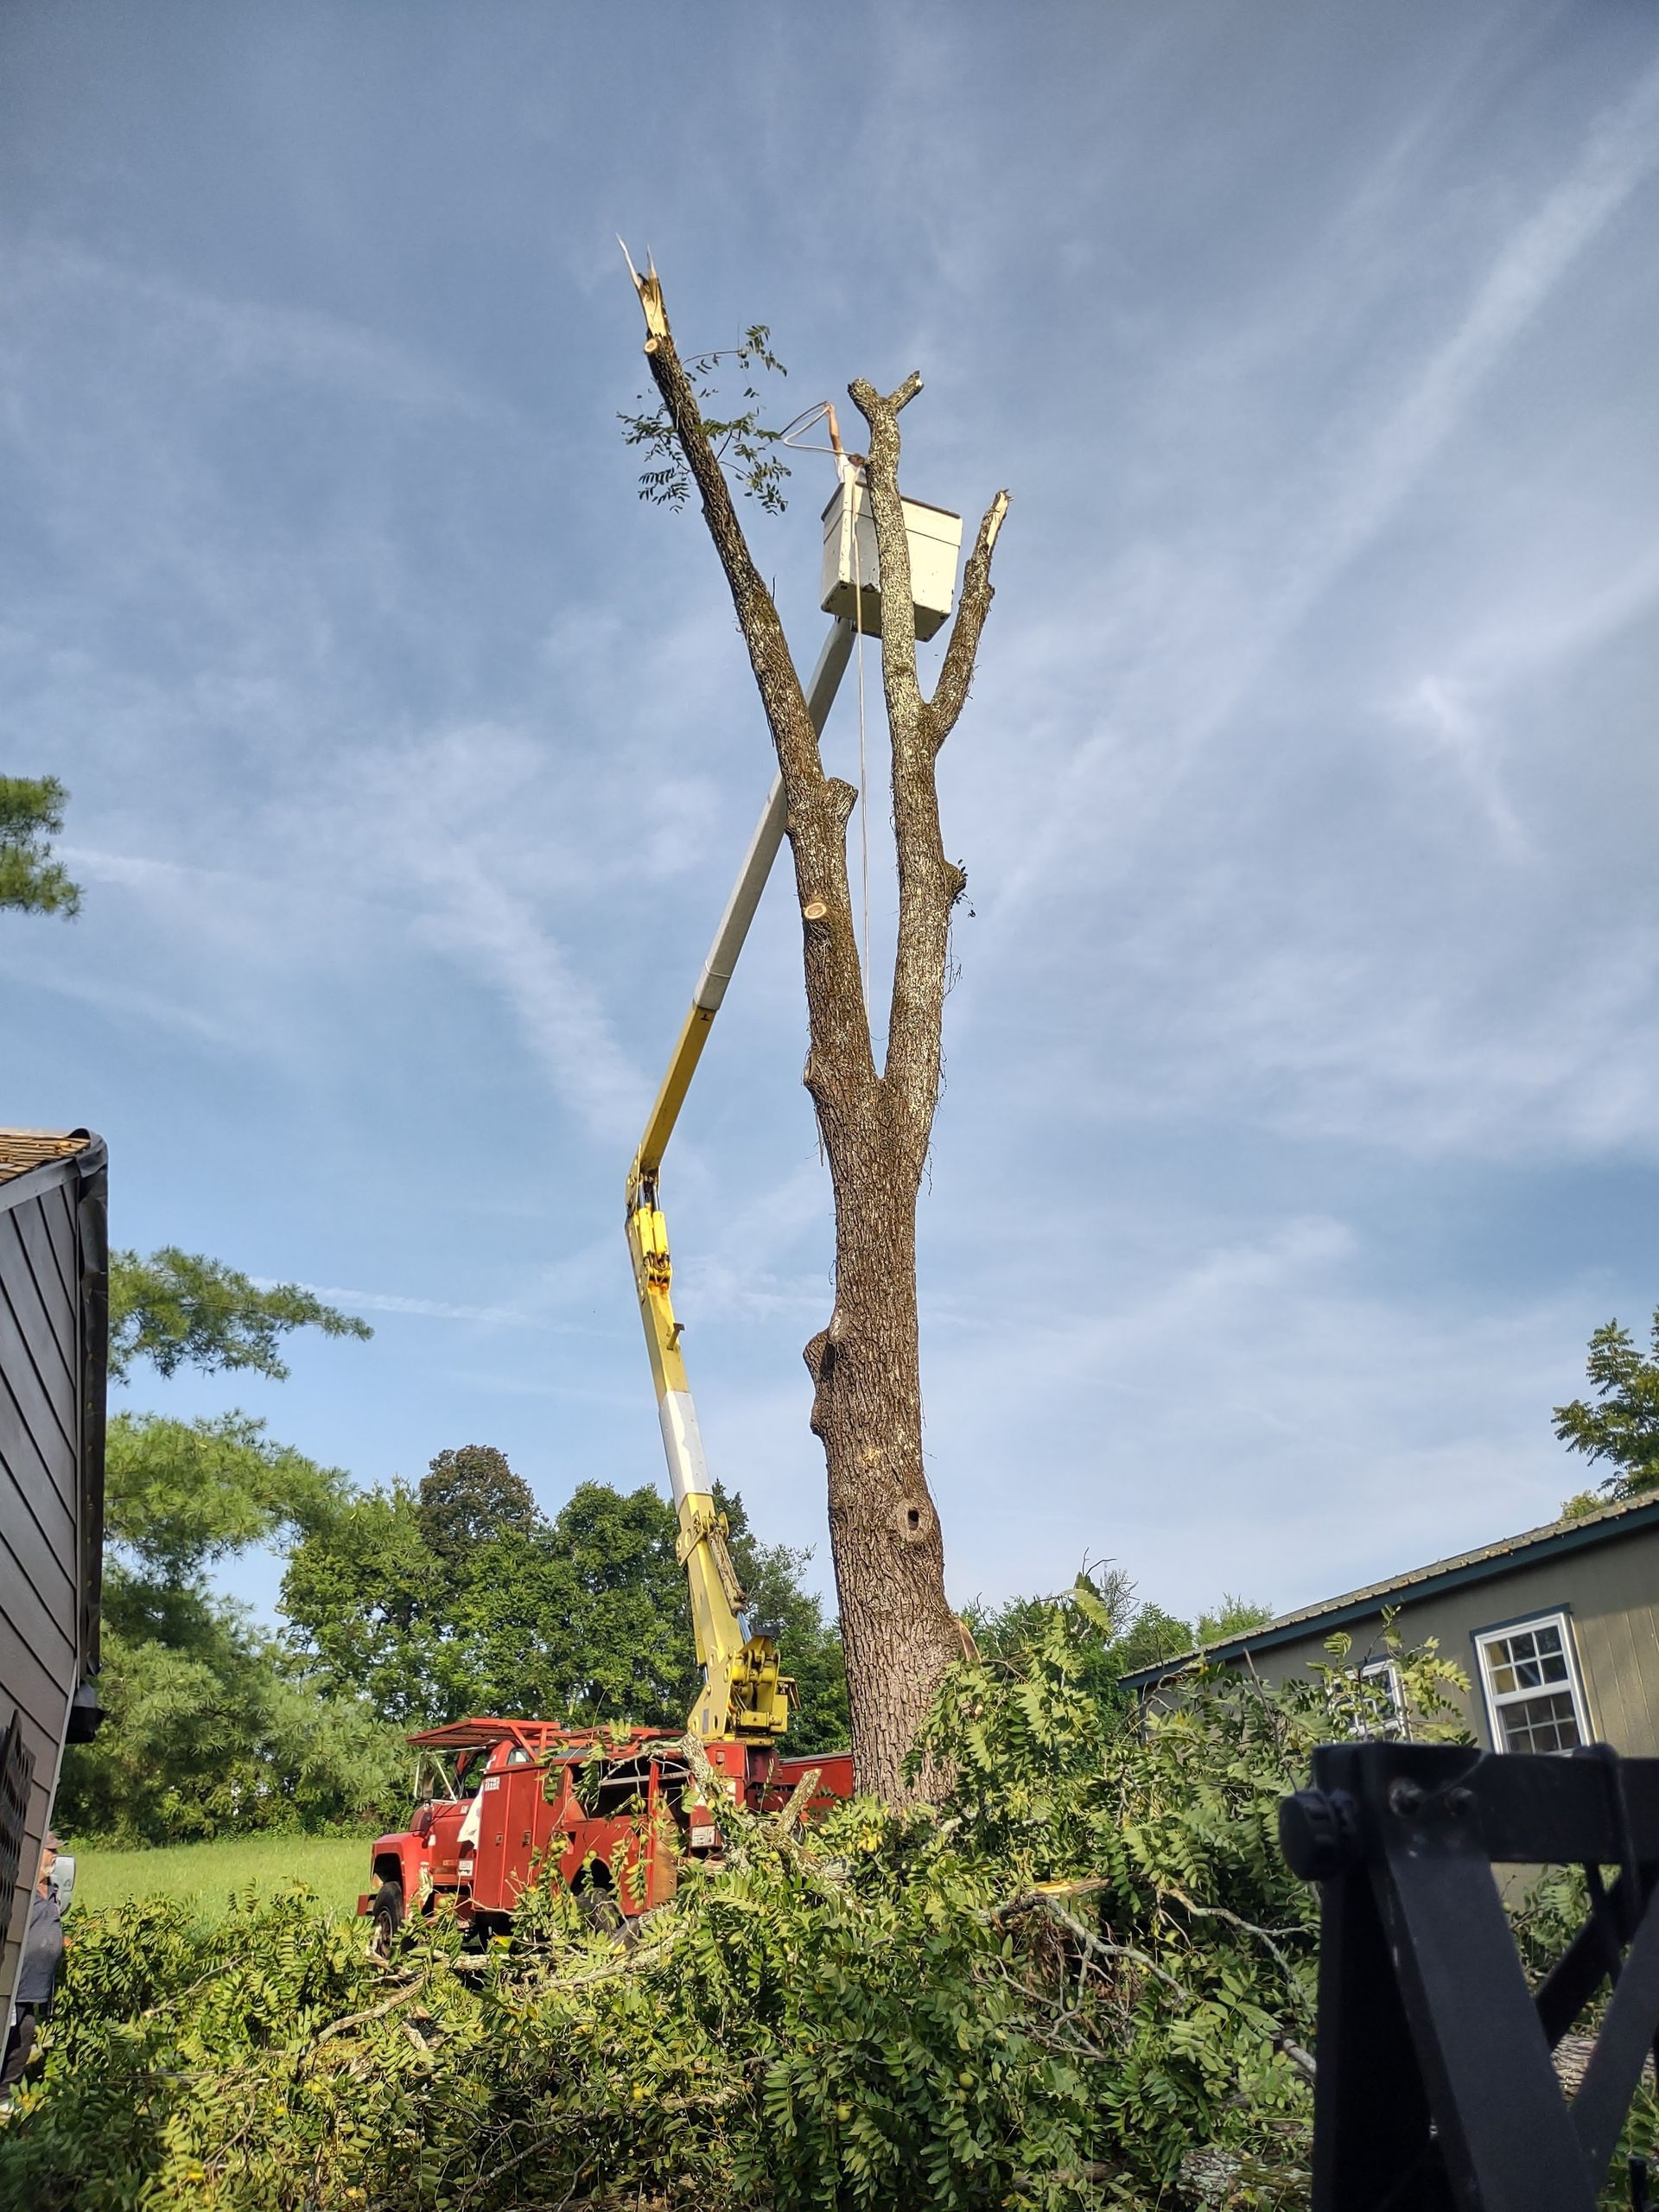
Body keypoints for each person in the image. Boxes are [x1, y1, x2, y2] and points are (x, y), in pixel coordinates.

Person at [0, 1832, 67, 2101]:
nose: (56, 1856)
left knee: (24, 2036)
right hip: (15, 1981)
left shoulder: (52, 1890)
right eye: (51, 1851)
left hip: (35, 1987)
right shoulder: (19, 1890)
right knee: (10, 2035)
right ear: (36, 1854)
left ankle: (5, 2096)